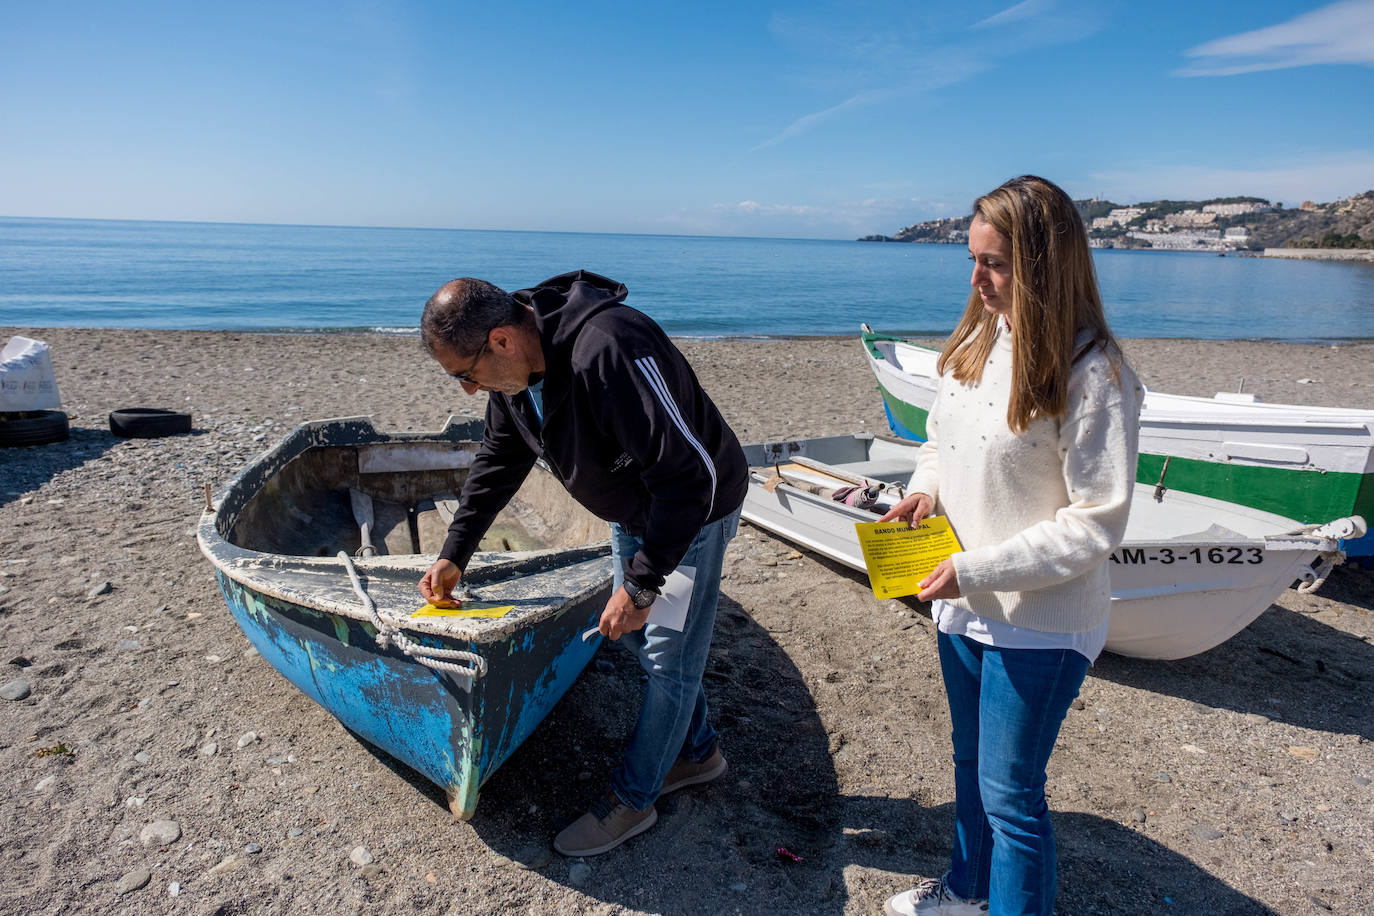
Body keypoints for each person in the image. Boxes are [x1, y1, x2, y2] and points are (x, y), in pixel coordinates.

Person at [880, 176, 1144, 916]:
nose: (976, 279)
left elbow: (1096, 523)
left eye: (994, 264)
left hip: (1039, 618)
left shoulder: (1097, 375)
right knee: (971, 767)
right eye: (973, 259)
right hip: (961, 601)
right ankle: (967, 891)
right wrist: (925, 490)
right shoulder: (980, 335)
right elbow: (941, 440)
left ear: (1047, 264)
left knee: (1012, 798)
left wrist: (976, 568)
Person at [416, 269, 747, 857]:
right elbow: (500, 457)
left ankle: (634, 799)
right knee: (640, 643)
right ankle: (697, 753)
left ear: (501, 340)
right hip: (634, 509)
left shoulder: (611, 347)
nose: (469, 390)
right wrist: (454, 553)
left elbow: (689, 478)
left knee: (670, 660)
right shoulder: (514, 378)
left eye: (465, 376)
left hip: (692, 511)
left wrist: (643, 585)